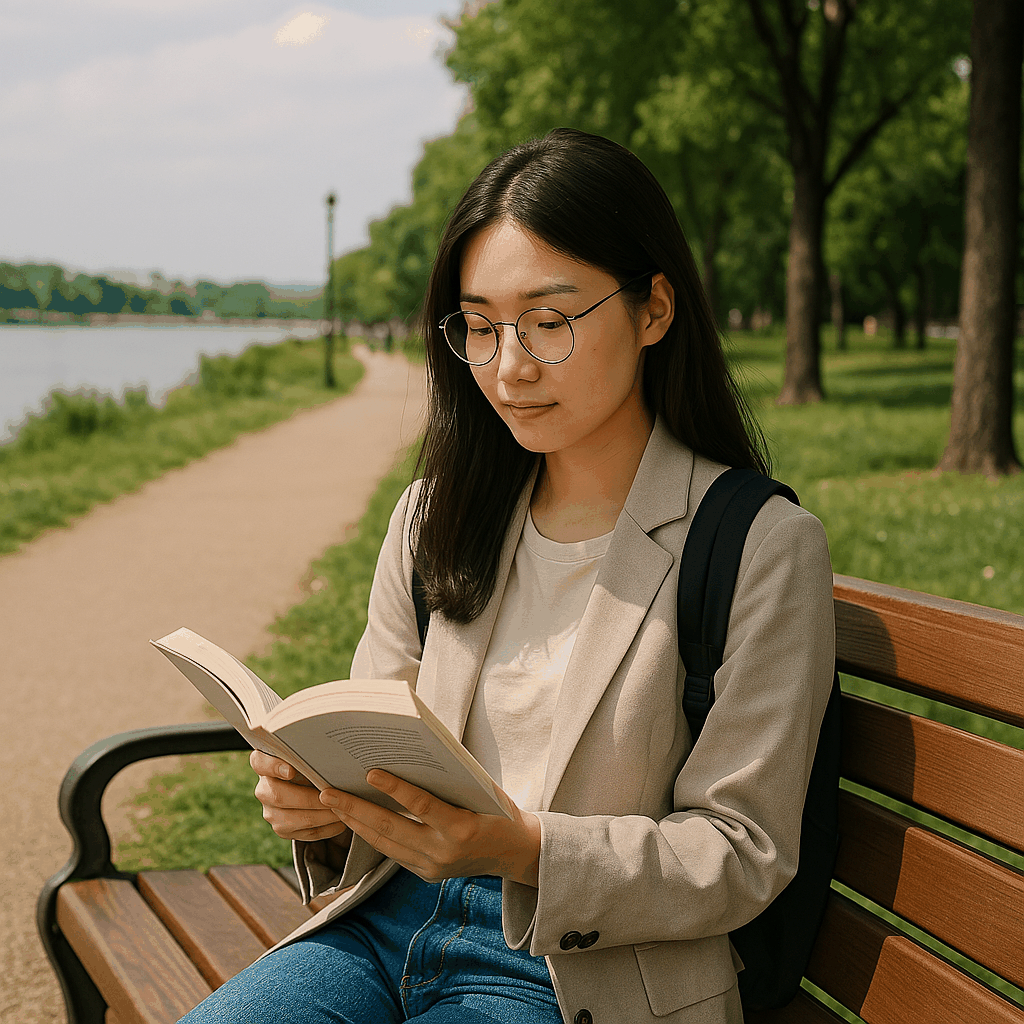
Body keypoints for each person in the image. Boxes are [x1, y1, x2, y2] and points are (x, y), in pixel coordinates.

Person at [180, 128, 835, 1024]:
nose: (510, 367)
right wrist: (326, 810)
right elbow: (376, 743)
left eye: (550, 321)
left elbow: (743, 849)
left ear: (654, 310)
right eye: (480, 327)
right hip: (384, 924)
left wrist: (522, 848)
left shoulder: (757, 543)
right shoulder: (435, 514)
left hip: (575, 971)